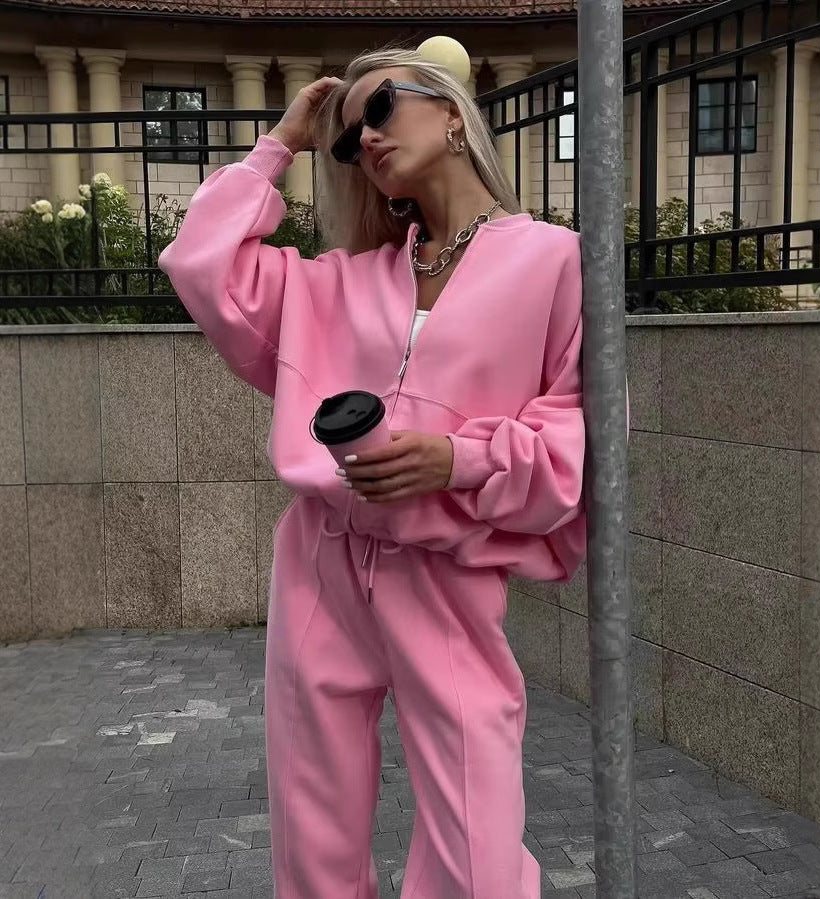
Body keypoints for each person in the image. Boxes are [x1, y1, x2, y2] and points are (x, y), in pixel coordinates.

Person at [158, 44, 587, 899]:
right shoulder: (338, 282)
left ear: (451, 110)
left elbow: (579, 435)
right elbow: (202, 262)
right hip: (319, 558)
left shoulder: (554, 260)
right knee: (312, 826)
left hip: (444, 570)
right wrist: (281, 142)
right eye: (350, 139)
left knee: (477, 847)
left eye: (381, 107)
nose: (367, 140)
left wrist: (456, 458)